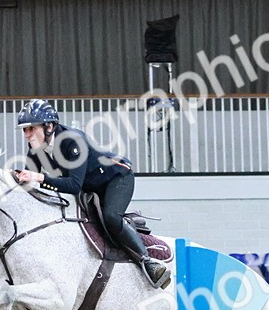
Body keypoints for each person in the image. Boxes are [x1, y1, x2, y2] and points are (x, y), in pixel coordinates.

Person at [13, 99, 168, 288]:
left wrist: (39, 177)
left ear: (49, 127)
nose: (27, 135)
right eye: (24, 130)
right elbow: (31, 187)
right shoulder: (36, 148)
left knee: (111, 217)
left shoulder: (72, 140)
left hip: (116, 178)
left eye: (31, 129)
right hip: (91, 187)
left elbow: (73, 186)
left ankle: (148, 262)